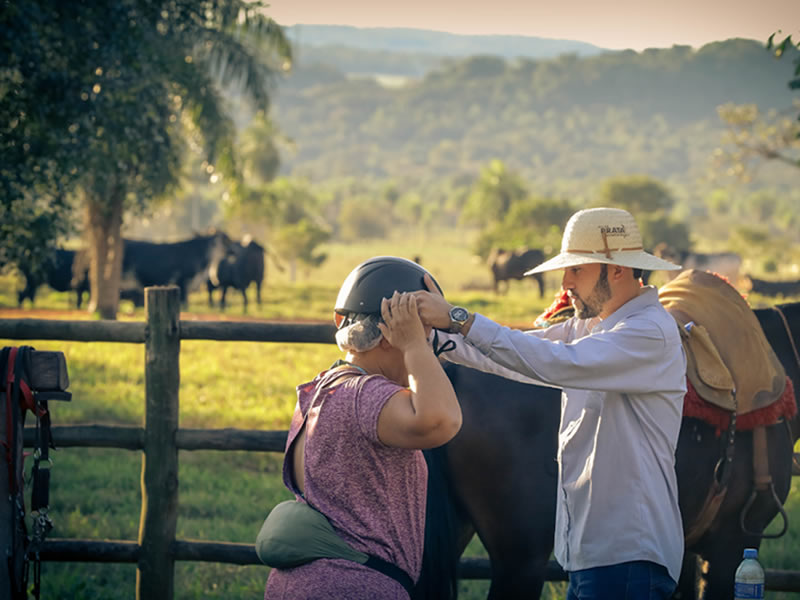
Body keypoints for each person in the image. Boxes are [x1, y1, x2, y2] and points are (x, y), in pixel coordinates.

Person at [414, 207, 687, 600]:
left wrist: (458, 317)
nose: (565, 281)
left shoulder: (647, 333)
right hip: (593, 555)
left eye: (577, 270)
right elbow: (521, 357)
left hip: (626, 558)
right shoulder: (594, 327)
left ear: (617, 270)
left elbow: (554, 361)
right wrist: (439, 339)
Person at [263, 256, 462, 600]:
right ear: (389, 334)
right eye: (427, 335)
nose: (432, 349)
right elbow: (442, 420)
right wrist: (413, 344)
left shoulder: (320, 390)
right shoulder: (366, 395)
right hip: (354, 586)